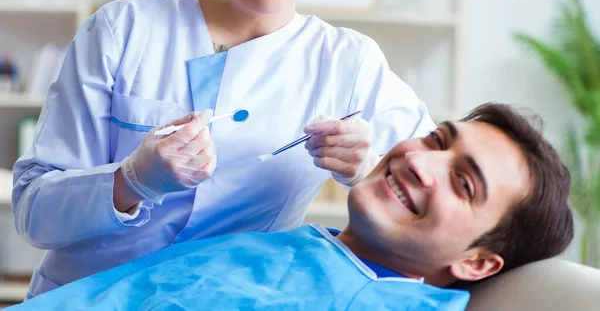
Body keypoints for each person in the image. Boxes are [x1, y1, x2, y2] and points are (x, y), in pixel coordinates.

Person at [11, 0, 435, 298]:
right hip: (84, 298)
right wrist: (130, 180)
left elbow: (438, 202)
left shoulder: (348, 63)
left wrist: (366, 168)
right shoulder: (124, 29)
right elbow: (32, 211)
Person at [10, 103, 574, 310]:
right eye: (437, 139)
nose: (418, 161)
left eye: (464, 184)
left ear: (477, 264)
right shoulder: (319, 249)